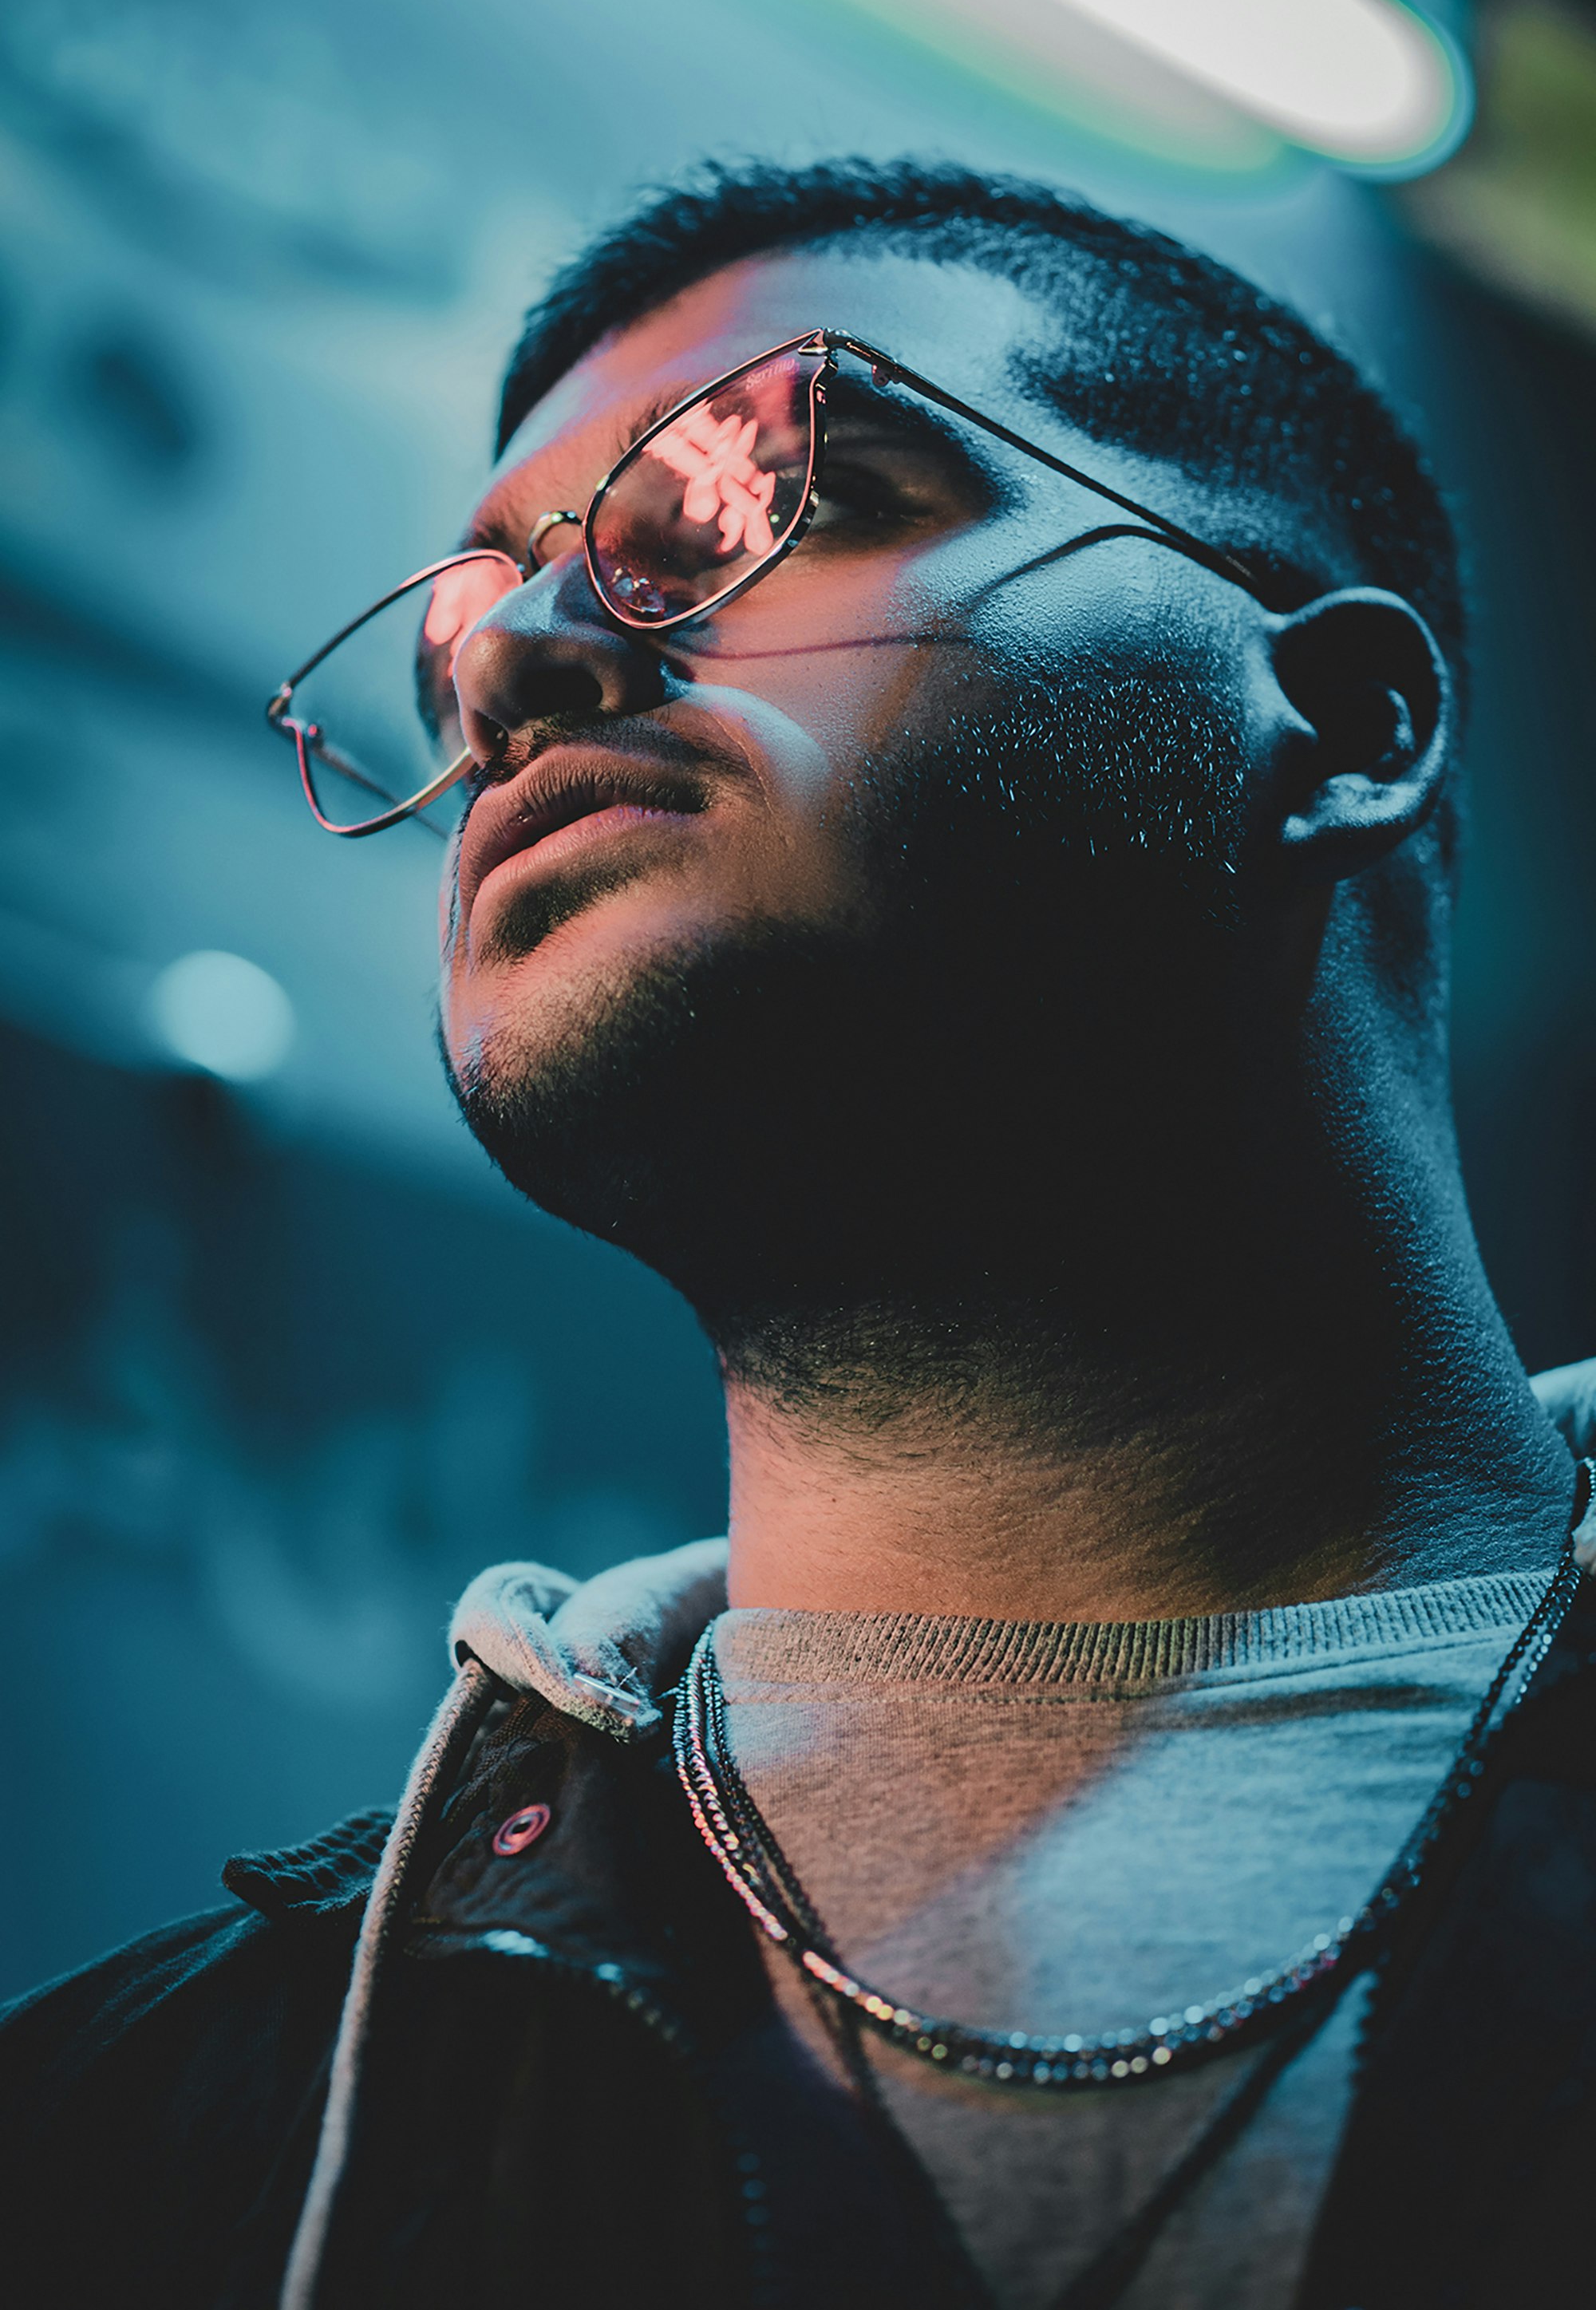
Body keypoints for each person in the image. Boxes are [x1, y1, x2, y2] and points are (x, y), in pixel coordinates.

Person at [5, 159, 1596, 2310]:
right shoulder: (119, 2153)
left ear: (1341, 723)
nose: (524, 669)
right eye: (462, 637)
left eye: (760, 492)